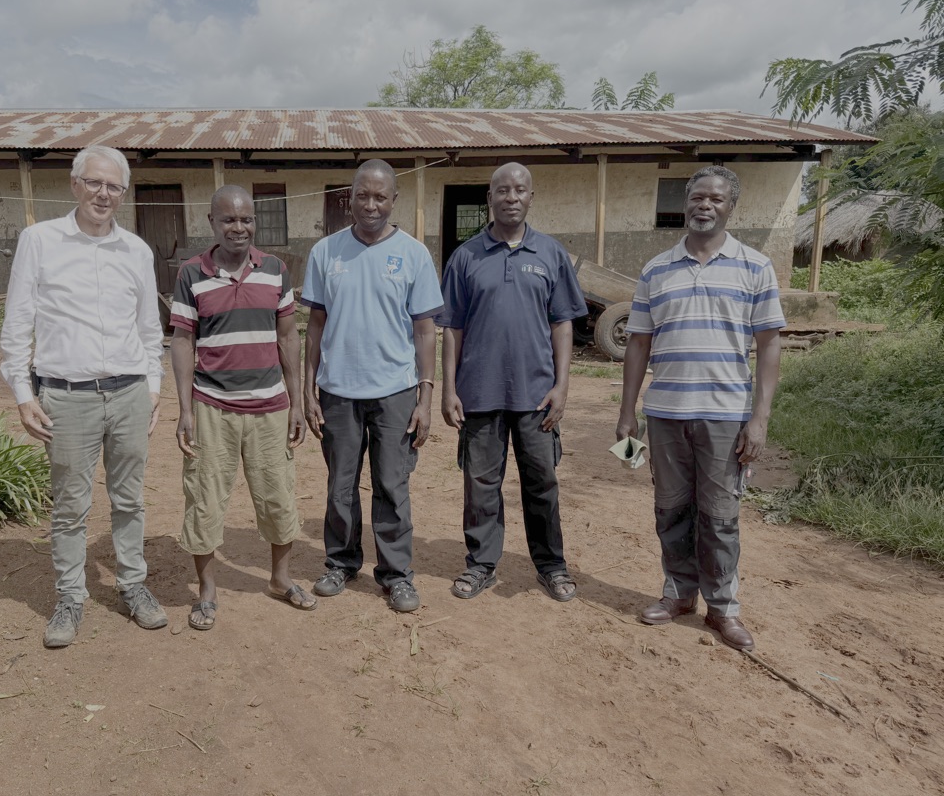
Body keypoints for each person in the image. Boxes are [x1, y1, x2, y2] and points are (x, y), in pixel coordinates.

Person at [0, 144, 167, 648]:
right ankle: (71, 597)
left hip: (129, 393)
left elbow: (149, 327)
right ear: (75, 184)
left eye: (114, 186)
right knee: (71, 505)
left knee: (129, 499)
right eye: (94, 182)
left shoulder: (136, 251)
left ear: (124, 192)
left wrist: (152, 388)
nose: (103, 194)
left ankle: (132, 585)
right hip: (66, 398)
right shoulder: (40, 241)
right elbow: (18, 322)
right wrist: (22, 393)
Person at [616, 165, 784, 651]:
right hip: (665, 412)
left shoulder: (755, 266)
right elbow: (638, 343)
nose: (704, 205)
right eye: (696, 197)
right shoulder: (656, 269)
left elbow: (769, 344)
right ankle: (678, 593)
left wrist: (759, 419)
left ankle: (723, 608)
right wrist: (627, 413)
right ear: (685, 202)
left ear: (731, 207)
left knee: (720, 515)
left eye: (715, 198)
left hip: (725, 415)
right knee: (671, 509)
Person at [438, 162, 587, 602]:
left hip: (536, 394)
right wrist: (448, 388)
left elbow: (562, 323)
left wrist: (562, 386)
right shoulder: (466, 257)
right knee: (480, 486)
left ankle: (552, 566)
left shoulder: (551, 254)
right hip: (478, 393)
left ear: (531, 198)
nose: (511, 198)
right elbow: (452, 328)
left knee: (542, 483)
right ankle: (481, 565)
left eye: (519, 190)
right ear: (490, 198)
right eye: (502, 190)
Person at [301, 159, 443, 613]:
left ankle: (396, 574)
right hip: (338, 391)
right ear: (350, 197)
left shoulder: (414, 255)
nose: (370, 205)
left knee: (392, 485)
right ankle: (341, 563)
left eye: (380, 197)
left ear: (394, 200)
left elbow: (425, 331)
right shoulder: (326, 252)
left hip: (395, 392)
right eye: (362, 195)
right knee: (340, 485)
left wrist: (425, 396)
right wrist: (307, 389)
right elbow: (315, 325)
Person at [170, 185, 311, 631]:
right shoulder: (191, 274)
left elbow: (287, 336)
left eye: (246, 219)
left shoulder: (275, 270)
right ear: (211, 222)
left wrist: (296, 402)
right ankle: (207, 590)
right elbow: (183, 341)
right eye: (229, 219)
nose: (239, 227)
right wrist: (185, 410)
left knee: (278, 495)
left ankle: (280, 578)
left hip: (270, 407)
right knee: (205, 499)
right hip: (212, 407)